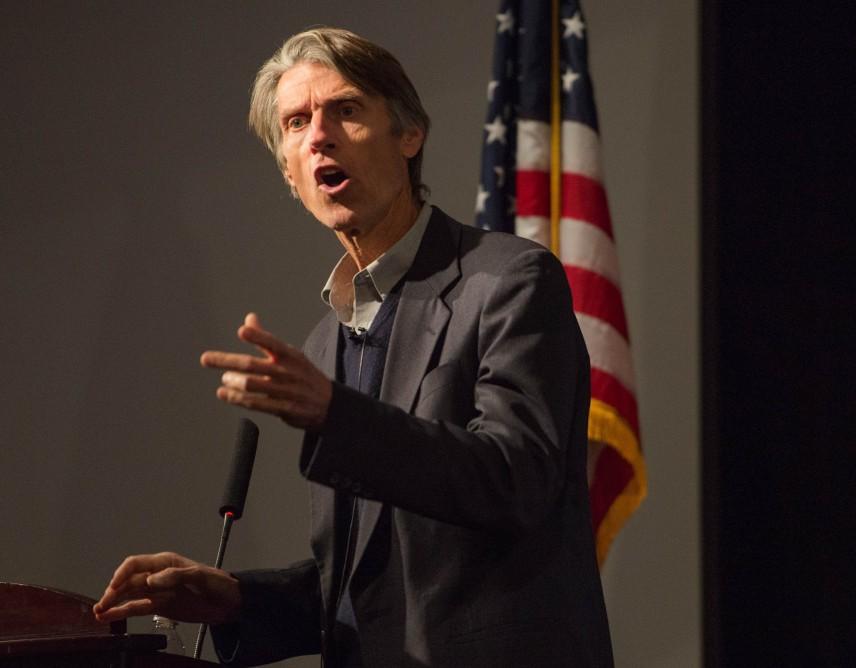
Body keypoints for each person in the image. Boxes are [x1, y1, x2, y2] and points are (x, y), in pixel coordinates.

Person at [94, 27, 613, 667]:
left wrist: (336, 415)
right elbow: (369, 585)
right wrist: (236, 599)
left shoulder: (506, 281)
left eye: (345, 109)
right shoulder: (326, 341)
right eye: (295, 124)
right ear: (290, 172)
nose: (318, 135)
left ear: (408, 135)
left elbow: (515, 480)